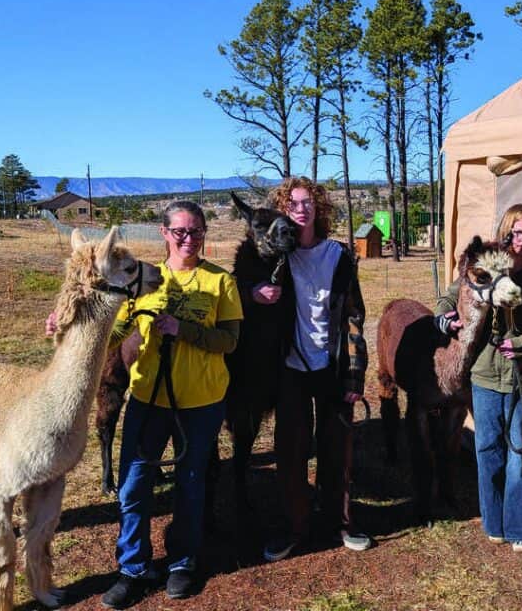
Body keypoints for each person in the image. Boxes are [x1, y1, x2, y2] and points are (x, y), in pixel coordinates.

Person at [83, 201, 242, 607]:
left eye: (197, 232)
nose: (189, 240)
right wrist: (70, 322)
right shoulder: (143, 279)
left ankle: (182, 564)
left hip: (202, 402)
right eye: (181, 232)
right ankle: (132, 567)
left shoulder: (220, 282)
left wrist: (182, 329)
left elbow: (229, 341)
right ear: (164, 233)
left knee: (191, 484)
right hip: (148, 399)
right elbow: (114, 331)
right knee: (135, 485)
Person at [435, 203, 522, 552]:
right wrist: (445, 318)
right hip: (485, 376)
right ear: (506, 229)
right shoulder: (487, 265)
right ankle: (494, 521)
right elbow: (452, 296)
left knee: (521, 454)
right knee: (488, 450)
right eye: (519, 232)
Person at [253, 176, 371, 561]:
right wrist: (253, 293)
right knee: (291, 451)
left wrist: (354, 374)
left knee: (337, 449)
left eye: (307, 203)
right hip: (291, 369)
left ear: (318, 208)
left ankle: (340, 521)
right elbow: (244, 286)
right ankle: (294, 526)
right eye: (293, 204)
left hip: (331, 366)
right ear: (283, 210)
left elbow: (354, 315)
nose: (300, 210)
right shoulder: (277, 256)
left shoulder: (338, 255)